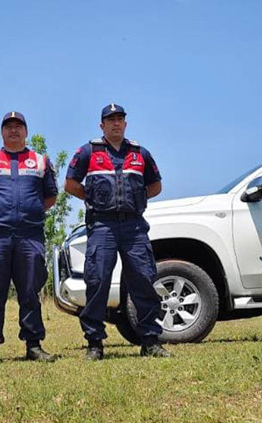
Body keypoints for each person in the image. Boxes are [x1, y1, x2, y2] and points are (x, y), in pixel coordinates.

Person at [64, 103, 171, 360]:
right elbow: (70, 184)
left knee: (143, 279)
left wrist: (136, 199)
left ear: (125, 124)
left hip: (134, 227)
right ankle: (95, 343)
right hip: (102, 226)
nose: (115, 123)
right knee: (97, 281)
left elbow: (155, 186)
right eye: (110, 120)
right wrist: (93, 198)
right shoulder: (88, 152)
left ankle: (150, 340)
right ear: (102, 125)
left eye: (120, 119)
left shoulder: (140, 153)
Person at [0, 111, 58, 363]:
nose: (14, 130)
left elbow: (50, 196)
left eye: (19, 126)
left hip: (30, 235)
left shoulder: (40, 161)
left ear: (26, 132)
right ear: (1, 132)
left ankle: (33, 345)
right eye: (8, 126)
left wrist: (30, 212)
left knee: (30, 291)